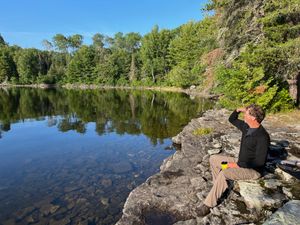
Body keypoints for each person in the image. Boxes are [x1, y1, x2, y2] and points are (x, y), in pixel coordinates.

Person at [196, 104, 270, 217]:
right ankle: (220, 187)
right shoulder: (247, 127)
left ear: (253, 117)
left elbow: (259, 162)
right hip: (240, 162)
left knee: (225, 171)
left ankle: (208, 204)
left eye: (247, 112)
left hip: (252, 170)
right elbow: (232, 119)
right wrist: (237, 110)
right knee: (214, 159)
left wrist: (236, 165)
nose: (244, 114)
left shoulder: (262, 136)